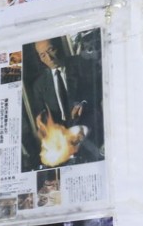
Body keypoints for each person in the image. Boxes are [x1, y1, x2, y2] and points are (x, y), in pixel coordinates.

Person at [25, 37, 103, 166]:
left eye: (50, 50)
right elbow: (41, 114)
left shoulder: (81, 63)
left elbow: (98, 87)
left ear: (58, 47)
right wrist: (42, 121)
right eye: (43, 55)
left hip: (91, 128)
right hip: (63, 139)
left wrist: (83, 102)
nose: (49, 58)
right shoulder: (39, 85)